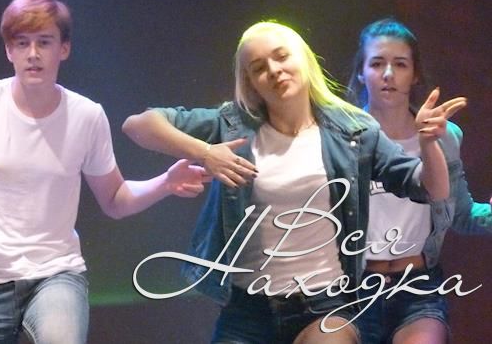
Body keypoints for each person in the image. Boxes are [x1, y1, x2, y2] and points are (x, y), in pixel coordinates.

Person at [0, 0, 210, 344]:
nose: (33, 53)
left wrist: (166, 182)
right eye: (22, 43)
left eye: (44, 42)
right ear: (9, 51)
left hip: (54, 275)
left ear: (64, 48)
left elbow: (115, 199)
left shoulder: (86, 116)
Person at [122, 21, 465, 344]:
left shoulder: (353, 131)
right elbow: (138, 125)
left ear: (304, 59)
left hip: (326, 305)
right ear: (250, 82)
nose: (273, 70)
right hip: (249, 309)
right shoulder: (232, 125)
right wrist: (206, 152)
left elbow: (432, 189)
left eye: (282, 56)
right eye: (259, 67)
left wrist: (427, 143)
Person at [346, 18, 491, 343]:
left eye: (400, 64)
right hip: (351, 288)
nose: (388, 74)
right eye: (377, 63)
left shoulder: (445, 136)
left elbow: (460, 215)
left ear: (414, 75)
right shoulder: (340, 138)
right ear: (361, 72)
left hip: (418, 287)